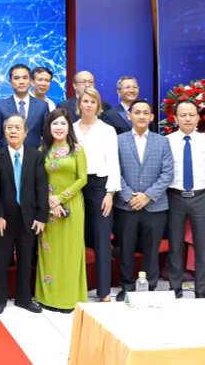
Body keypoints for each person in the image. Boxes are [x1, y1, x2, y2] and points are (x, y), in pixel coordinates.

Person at [114, 100, 173, 301]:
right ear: (129, 116)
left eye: (145, 112)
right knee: (126, 248)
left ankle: (149, 287)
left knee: (151, 249)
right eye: (136, 112)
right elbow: (115, 172)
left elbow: (167, 173)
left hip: (155, 206)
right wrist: (130, 196)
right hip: (126, 204)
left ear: (151, 117)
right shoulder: (118, 140)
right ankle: (127, 286)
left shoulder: (162, 141)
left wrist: (147, 196)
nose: (141, 116)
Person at [166, 99, 205, 299]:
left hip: (200, 198)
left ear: (198, 117)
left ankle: (201, 290)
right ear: (175, 118)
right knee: (175, 245)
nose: (187, 118)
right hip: (175, 197)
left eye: (192, 114)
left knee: (201, 245)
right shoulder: (168, 141)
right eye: (183, 115)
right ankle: (175, 288)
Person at [0, 115, 47, 315]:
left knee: (25, 260)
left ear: (25, 132)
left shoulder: (36, 157)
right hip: (3, 218)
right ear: (4, 132)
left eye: (17, 128)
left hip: (28, 217)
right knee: (2, 259)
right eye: (9, 128)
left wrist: (41, 216)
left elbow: (41, 188)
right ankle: (0, 299)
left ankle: (24, 299)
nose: (13, 131)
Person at [35, 108, 87, 312]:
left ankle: (68, 299)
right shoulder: (42, 150)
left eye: (63, 123)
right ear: (49, 127)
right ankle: (48, 298)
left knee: (70, 252)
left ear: (69, 127)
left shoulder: (77, 150)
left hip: (72, 204)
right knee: (50, 253)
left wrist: (61, 198)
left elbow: (83, 179)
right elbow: (38, 180)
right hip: (48, 208)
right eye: (55, 123)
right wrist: (50, 201)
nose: (59, 127)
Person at [73, 88, 120, 302]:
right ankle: (75, 287)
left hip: (99, 185)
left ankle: (103, 291)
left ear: (98, 105)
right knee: (74, 237)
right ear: (79, 104)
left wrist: (110, 193)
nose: (89, 105)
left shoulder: (107, 130)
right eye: (85, 101)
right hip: (75, 186)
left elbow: (114, 163)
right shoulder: (71, 129)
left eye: (93, 101)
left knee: (102, 238)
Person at [0, 63, 49, 149]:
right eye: (16, 78)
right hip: (7, 157)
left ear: (31, 81)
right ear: (11, 82)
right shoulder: (0, 106)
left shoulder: (42, 106)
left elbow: (47, 136)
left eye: (25, 78)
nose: (21, 82)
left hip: (35, 156)